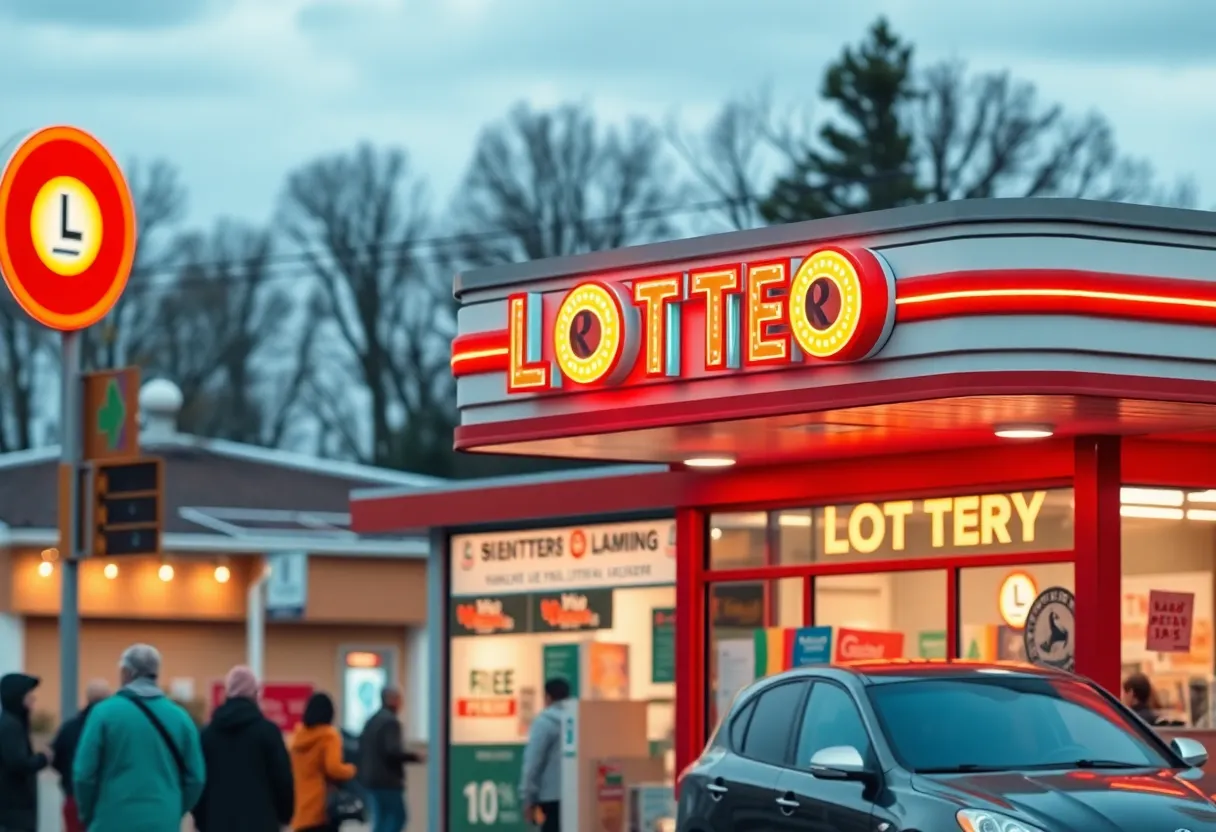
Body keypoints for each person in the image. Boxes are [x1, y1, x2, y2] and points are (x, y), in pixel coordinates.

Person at [73, 644, 206, 832]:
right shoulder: (181, 718)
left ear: (127, 672)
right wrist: (174, 808)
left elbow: (83, 774)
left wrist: (89, 814)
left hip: (111, 820)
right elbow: (196, 778)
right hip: (163, 821)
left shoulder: (103, 713)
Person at [193, 666, 294, 832]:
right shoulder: (268, 733)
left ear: (227, 693)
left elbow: (199, 781)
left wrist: (201, 820)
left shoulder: (207, 735)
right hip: (262, 823)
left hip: (216, 823)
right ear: (255, 694)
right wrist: (284, 817)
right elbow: (282, 780)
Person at [358, 687, 423, 832]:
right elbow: (392, 751)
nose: (401, 703)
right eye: (399, 699)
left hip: (371, 780)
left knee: (381, 819)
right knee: (398, 818)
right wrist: (415, 757)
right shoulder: (391, 722)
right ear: (392, 700)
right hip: (388, 781)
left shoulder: (371, 721)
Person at [290, 692, 356, 832]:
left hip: (300, 808)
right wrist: (351, 770)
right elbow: (333, 768)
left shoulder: (298, 737)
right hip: (322, 809)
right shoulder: (329, 735)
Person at [50, 679, 111, 832]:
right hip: (105, 800)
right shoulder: (111, 727)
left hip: (73, 797)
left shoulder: (69, 727)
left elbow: (56, 759)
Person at [0, 673, 50, 832]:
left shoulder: (14, 724)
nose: (32, 701)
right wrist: (43, 758)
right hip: (14, 813)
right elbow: (19, 763)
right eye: (29, 696)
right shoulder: (10, 727)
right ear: (17, 698)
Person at [520, 678, 569, 832]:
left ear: (547, 697)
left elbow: (533, 763)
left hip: (550, 797)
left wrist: (528, 797)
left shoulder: (544, 723)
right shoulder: (576, 720)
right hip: (576, 794)